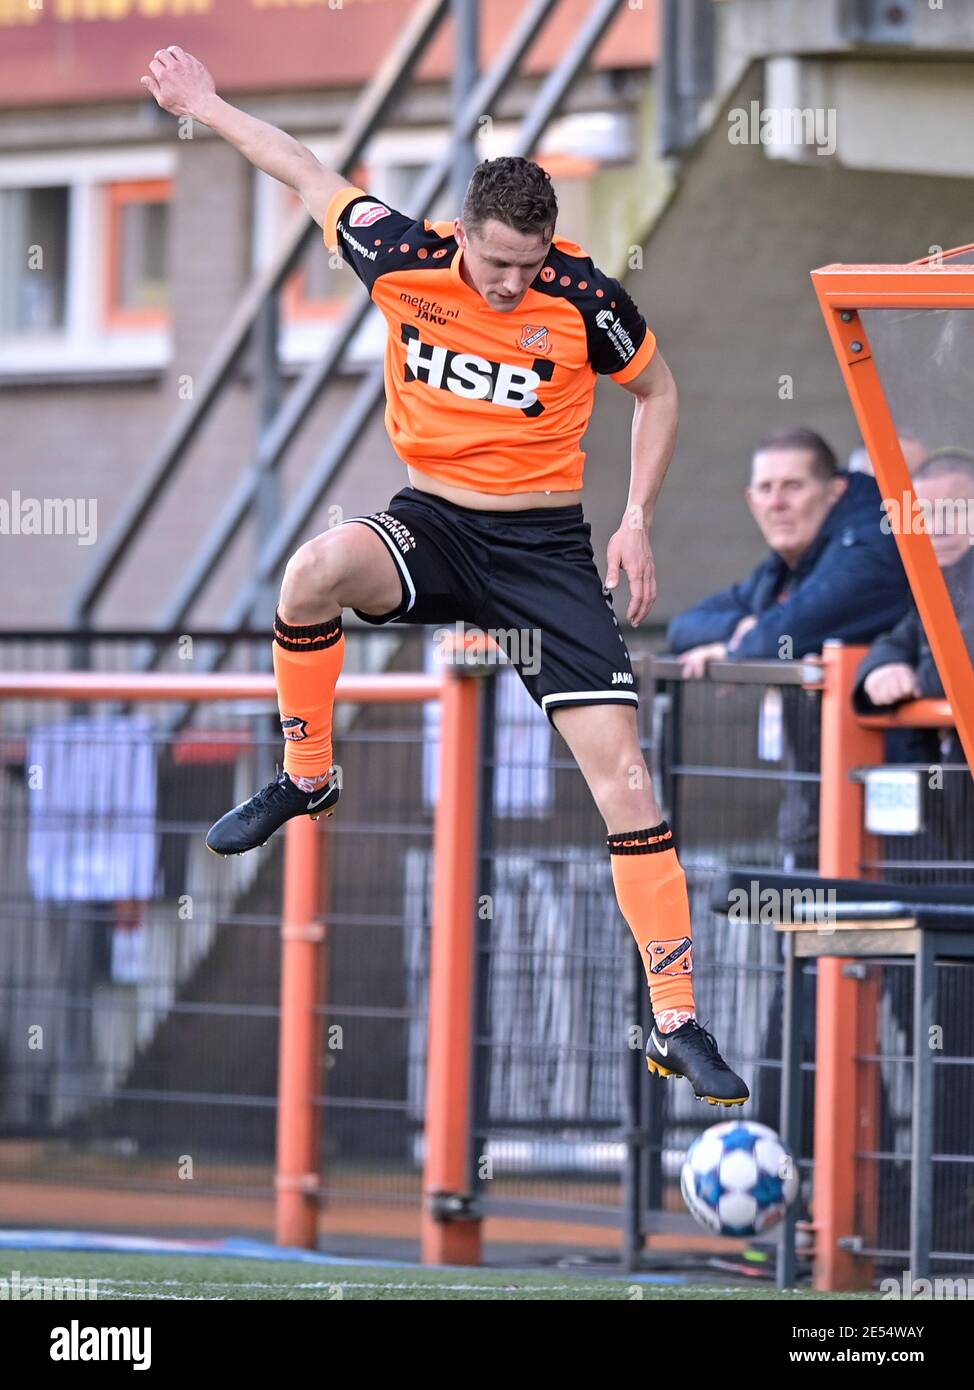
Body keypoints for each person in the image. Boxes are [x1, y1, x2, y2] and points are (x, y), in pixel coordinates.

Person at [140, 46, 748, 1105]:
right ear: (462, 233)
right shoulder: (397, 255)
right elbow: (299, 167)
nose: (516, 282)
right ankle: (308, 772)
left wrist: (636, 520)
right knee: (311, 569)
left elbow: (658, 394)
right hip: (433, 524)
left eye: (533, 261)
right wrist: (205, 104)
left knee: (627, 782)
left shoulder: (581, 302)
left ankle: (674, 1019)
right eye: (500, 261)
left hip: (544, 551)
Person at [668, 428, 911, 676]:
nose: (776, 504)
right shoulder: (787, 562)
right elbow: (681, 629)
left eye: (792, 486)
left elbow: (782, 635)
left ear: (835, 490)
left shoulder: (873, 545)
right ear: (751, 501)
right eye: (765, 488)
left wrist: (734, 649)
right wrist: (742, 626)